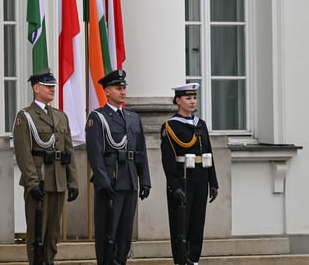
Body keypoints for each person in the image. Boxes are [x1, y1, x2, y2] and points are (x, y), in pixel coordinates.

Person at [13, 69, 79, 265]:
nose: (52, 89)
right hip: (40, 182)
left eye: (53, 86)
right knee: (36, 234)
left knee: (52, 234)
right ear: (36, 88)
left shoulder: (60, 116)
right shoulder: (25, 117)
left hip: (58, 181)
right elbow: (24, 154)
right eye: (47, 86)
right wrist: (33, 184)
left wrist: (72, 182)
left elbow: (69, 152)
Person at [86, 69, 150, 265]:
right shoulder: (97, 117)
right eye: (117, 88)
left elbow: (141, 151)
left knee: (125, 233)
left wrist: (145, 180)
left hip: (130, 180)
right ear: (106, 91)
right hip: (111, 181)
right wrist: (104, 181)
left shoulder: (132, 117)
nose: (122, 92)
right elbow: (95, 153)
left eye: (124, 88)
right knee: (108, 232)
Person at [160, 83, 219, 265]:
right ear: (178, 101)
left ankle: (194, 259)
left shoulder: (200, 124)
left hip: (201, 178)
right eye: (188, 98)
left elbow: (208, 152)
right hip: (183, 179)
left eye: (194, 98)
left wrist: (213, 182)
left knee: (197, 223)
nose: (192, 101)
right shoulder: (170, 126)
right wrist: (174, 186)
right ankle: (181, 260)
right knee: (181, 225)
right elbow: (168, 161)